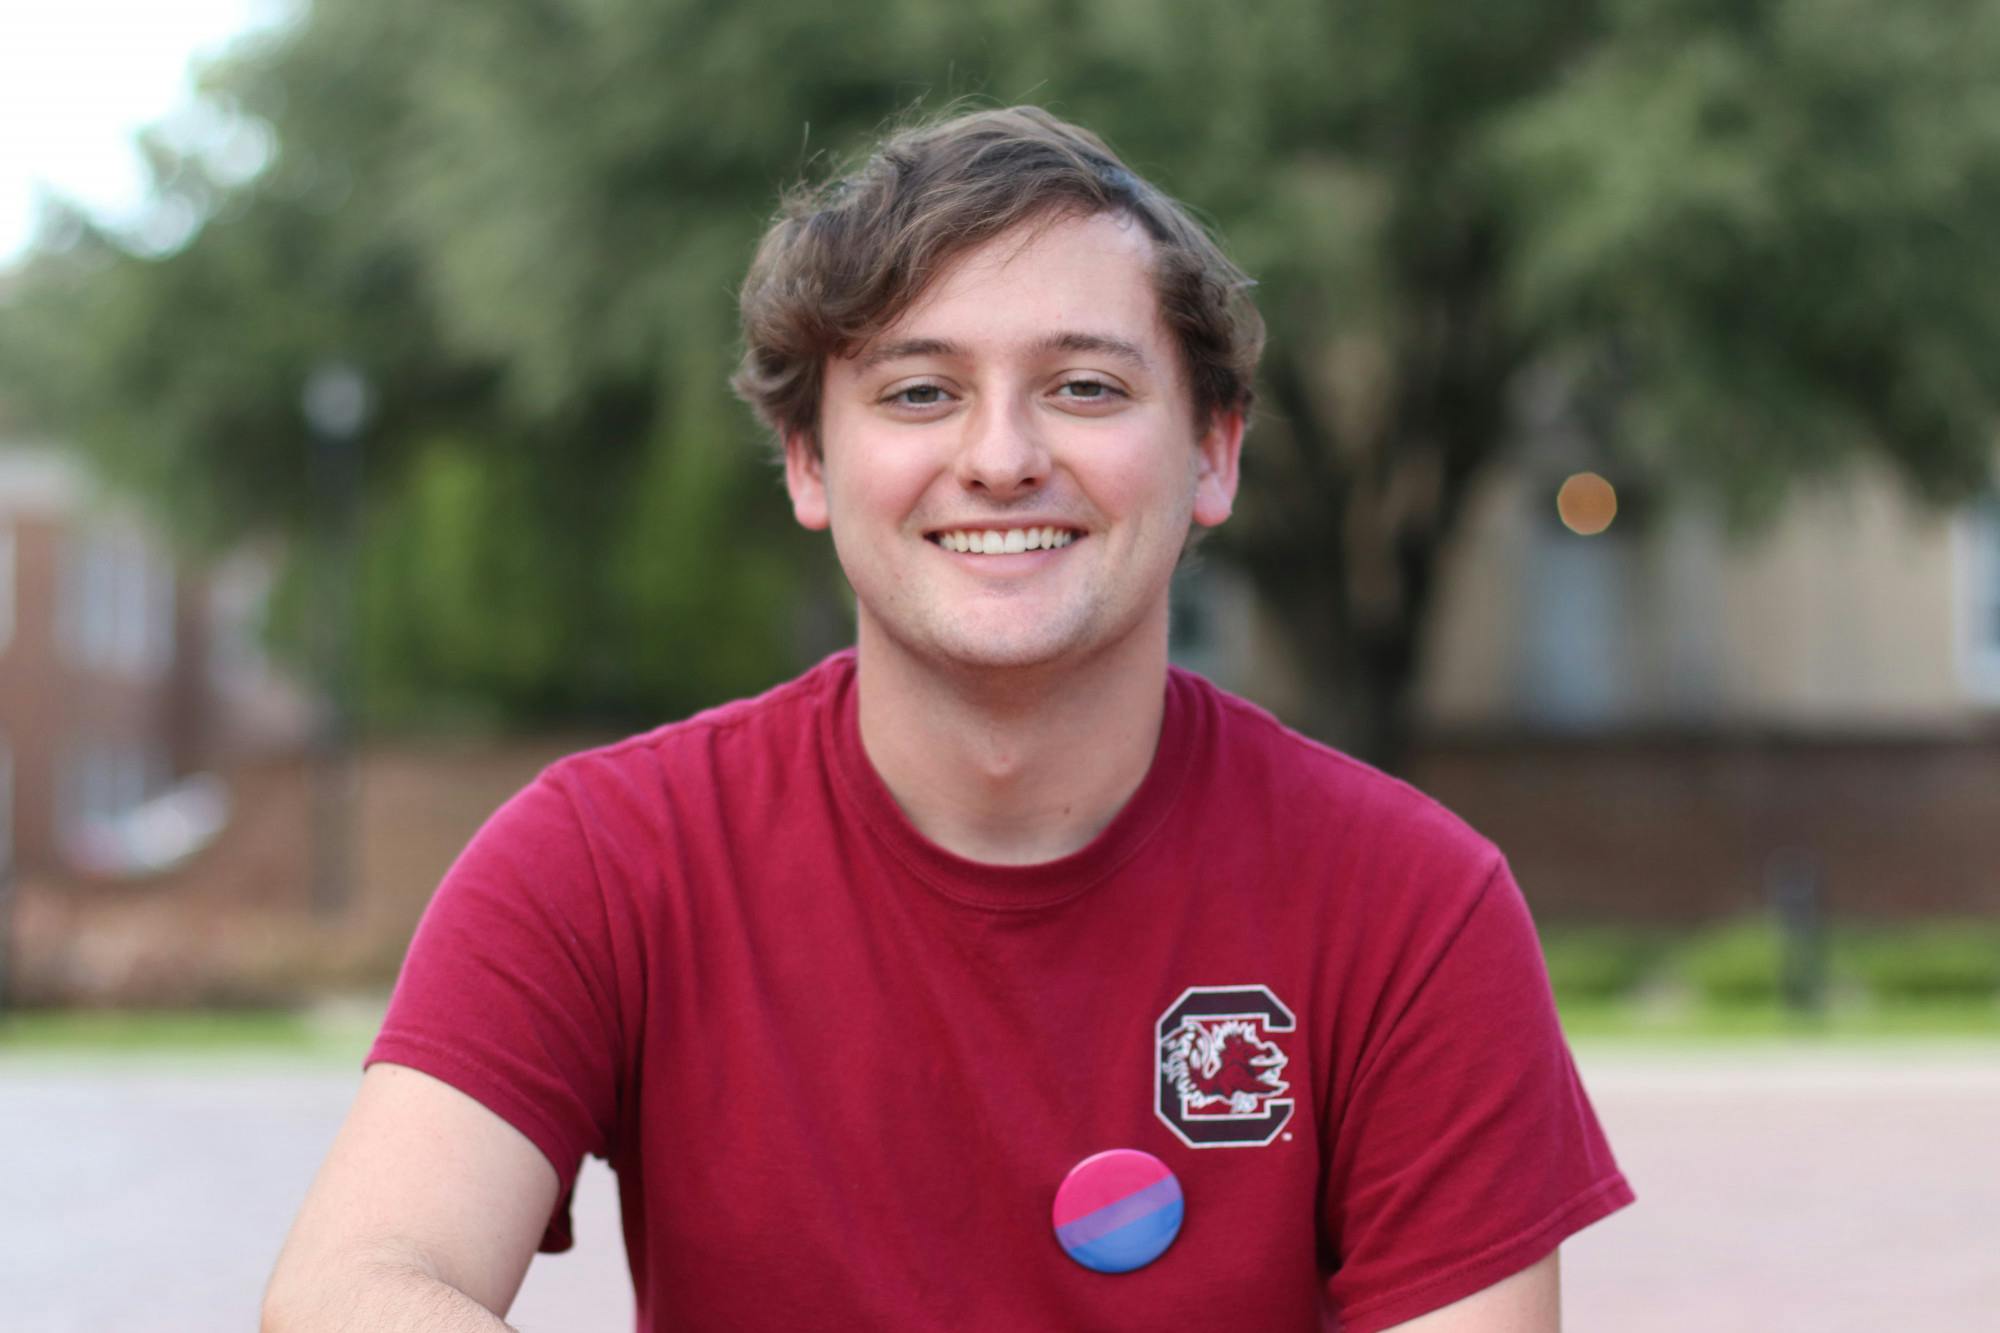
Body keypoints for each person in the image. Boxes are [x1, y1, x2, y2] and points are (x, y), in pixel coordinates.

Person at [264, 105, 1632, 1332]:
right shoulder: (604, 858)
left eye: (1085, 387)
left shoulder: (1410, 901)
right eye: (920, 391)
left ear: (1213, 450)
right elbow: (351, 1283)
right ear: (810, 461)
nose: (999, 456)